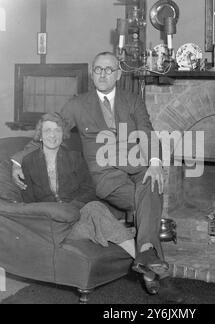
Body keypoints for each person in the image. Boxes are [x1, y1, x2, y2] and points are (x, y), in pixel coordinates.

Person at [12, 52, 181, 302]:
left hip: (136, 167)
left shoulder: (132, 100)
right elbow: (51, 131)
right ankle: (156, 271)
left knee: (152, 183)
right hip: (103, 176)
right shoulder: (77, 104)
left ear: (118, 75)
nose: (102, 74)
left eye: (108, 70)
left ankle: (146, 258)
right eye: (98, 69)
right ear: (92, 73)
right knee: (149, 203)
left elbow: (146, 131)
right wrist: (18, 160)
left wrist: (155, 162)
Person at [21, 112, 160, 292]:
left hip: (77, 218)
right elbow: (29, 200)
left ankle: (141, 261)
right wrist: (52, 213)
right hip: (53, 226)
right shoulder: (28, 162)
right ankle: (145, 261)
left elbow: (89, 190)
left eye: (57, 130)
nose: (52, 135)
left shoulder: (75, 158)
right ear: (40, 134)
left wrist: (73, 208)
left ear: (63, 134)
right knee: (100, 220)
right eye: (48, 130)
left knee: (95, 208)